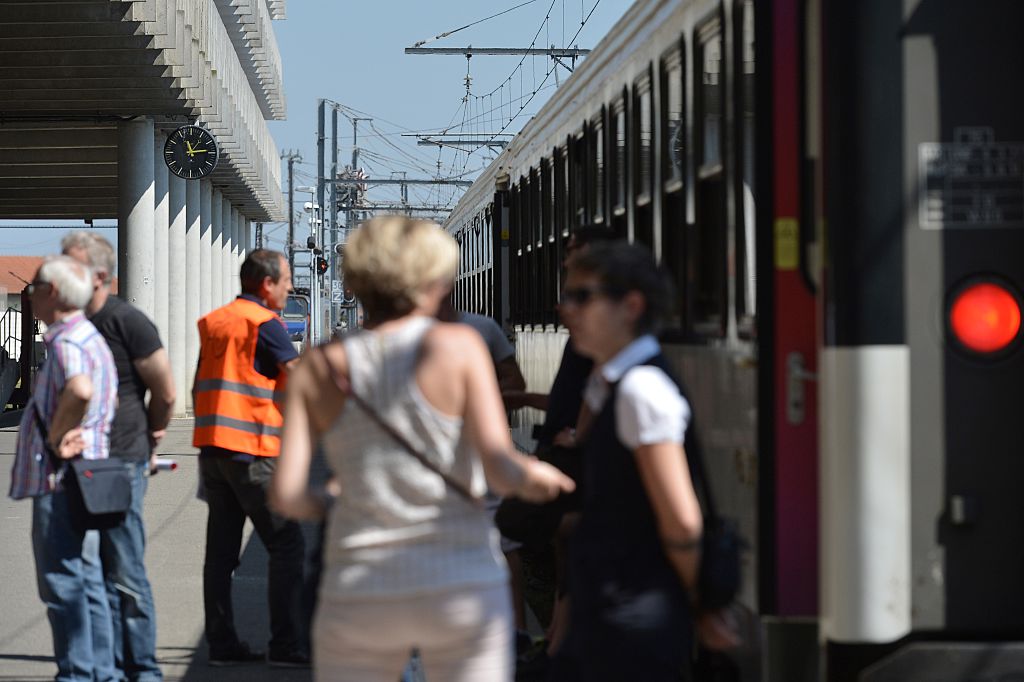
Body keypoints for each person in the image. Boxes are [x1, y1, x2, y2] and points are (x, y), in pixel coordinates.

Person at [269, 216, 574, 682]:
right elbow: (500, 467)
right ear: (432, 280)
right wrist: (544, 480)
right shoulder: (460, 348)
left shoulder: (318, 366)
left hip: (359, 586)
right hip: (460, 581)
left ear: (356, 281)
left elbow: (287, 496)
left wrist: (338, 497)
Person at [548, 242, 738, 681]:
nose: (565, 309)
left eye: (581, 296)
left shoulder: (642, 390)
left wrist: (699, 604)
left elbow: (681, 522)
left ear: (631, 306)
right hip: (614, 607)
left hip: (632, 617)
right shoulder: (613, 382)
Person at [62, 231, 175, 682]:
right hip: (75, 463)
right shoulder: (69, 322)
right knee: (90, 573)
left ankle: (142, 668)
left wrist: (153, 434)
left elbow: (165, 391)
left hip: (120, 460)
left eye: (71, 265)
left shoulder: (127, 321)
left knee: (125, 570)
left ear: (99, 276)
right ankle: (106, 667)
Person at [191, 249, 308, 667]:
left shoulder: (214, 321)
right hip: (254, 451)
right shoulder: (266, 324)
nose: (290, 287)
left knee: (220, 555)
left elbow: (200, 384)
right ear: (267, 284)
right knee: (287, 543)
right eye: (286, 280)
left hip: (212, 451)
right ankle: (286, 646)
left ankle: (222, 646)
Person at [9, 255, 119, 682]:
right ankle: (100, 671)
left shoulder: (66, 342)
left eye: (33, 289)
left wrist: (57, 435)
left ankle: (76, 673)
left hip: (61, 478)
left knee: (63, 582)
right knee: (88, 580)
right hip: (84, 476)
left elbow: (81, 388)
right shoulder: (89, 337)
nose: (29, 297)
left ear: (52, 292)